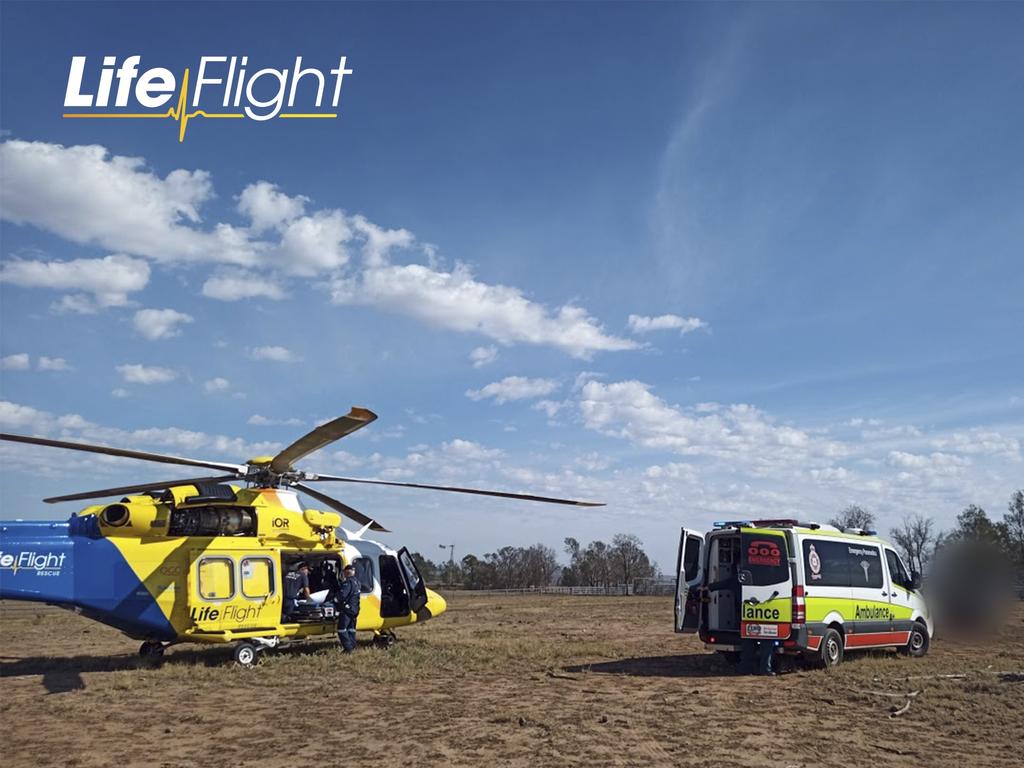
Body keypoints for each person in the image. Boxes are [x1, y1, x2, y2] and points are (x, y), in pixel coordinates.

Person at [703, 571, 775, 676]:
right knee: (766, 644)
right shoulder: (769, 576)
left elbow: (722, 584)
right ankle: (764, 669)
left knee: (748, 645)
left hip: (747, 616)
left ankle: (745, 669)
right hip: (765, 615)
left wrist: (705, 588)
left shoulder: (738, 579)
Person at [334, 562, 361, 653]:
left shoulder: (348, 583)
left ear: (347, 572)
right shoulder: (357, 582)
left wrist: (335, 599)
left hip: (347, 609)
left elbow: (342, 595)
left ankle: (348, 648)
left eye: (345, 572)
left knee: (341, 628)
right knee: (351, 628)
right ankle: (353, 645)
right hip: (355, 609)